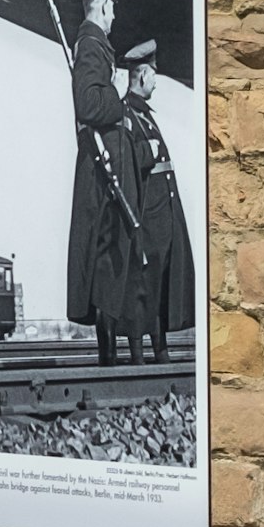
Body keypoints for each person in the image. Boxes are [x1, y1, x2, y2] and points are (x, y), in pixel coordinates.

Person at [65, 0, 144, 363]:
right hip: (105, 171)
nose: (115, 16)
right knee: (110, 257)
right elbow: (89, 104)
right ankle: (109, 357)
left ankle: (112, 354)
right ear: (104, 5)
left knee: (114, 257)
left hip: (108, 167)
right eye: (112, 7)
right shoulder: (92, 45)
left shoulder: (96, 46)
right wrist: (119, 93)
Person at [113, 48, 192, 358]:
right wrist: (149, 149)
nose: (156, 84)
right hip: (147, 216)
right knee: (142, 288)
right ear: (142, 75)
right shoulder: (126, 114)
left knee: (158, 286)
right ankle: (138, 355)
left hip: (163, 215)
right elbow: (128, 162)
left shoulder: (143, 114)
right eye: (154, 76)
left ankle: (160, 350)